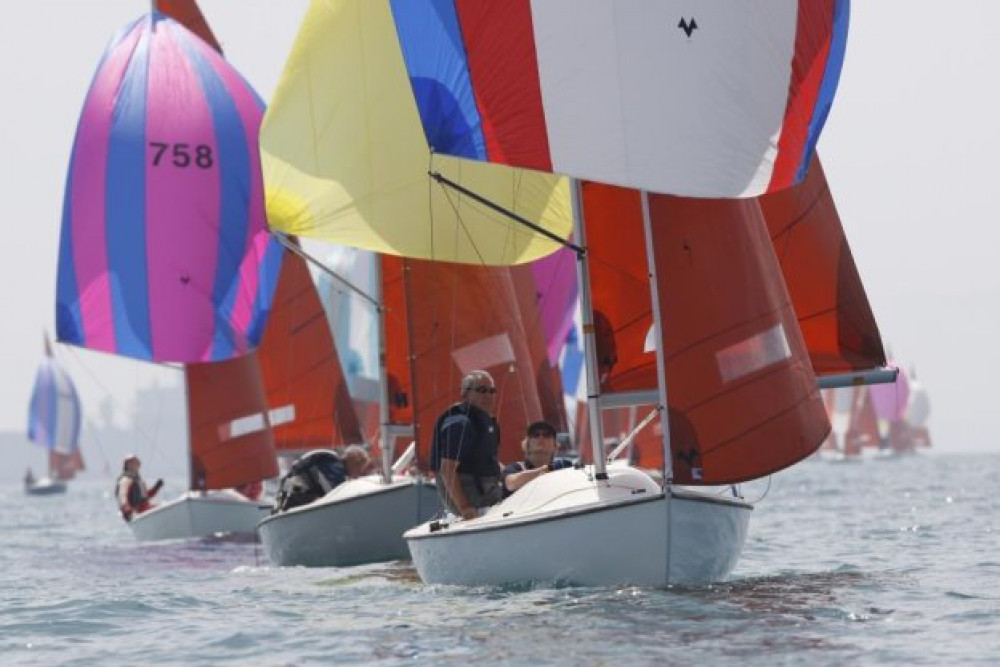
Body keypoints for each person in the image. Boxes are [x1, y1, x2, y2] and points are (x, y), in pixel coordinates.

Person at [431, 370, 503, 519]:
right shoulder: (459, 424)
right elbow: (447, 469)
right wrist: (465, 508)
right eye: (482, 390)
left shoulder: (486, 423)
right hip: (474, 501)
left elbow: (487, 461)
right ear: (465, 394)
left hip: (489, 490)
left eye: (492, 391)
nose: (488, 395)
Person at [272, 445, 371, 513]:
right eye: (359, 469)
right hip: (296, 497)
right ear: (353, 462)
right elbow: (334, 496)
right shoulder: (335, 467)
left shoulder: (331, 464)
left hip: (287, 496)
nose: (358, 474)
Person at [502, 420, 574, 497]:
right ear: (527, 445)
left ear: (555, 445)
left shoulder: (564, 467)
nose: (541, 437)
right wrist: (547, 469)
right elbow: (511, 484)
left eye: (547, 435)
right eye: (535, 435)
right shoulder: (515, 468)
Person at [115, 454, 163, 522]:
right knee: (157, 509)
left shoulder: (139, 480)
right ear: (127, 465)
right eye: (132, 462)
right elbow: (122, 496)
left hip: (145, 509)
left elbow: (146, 496)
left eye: (137, 462)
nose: (136, 464)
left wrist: (156, 487)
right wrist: (126, 510)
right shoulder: (125, 479)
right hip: (136, 512)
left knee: (159, 507)